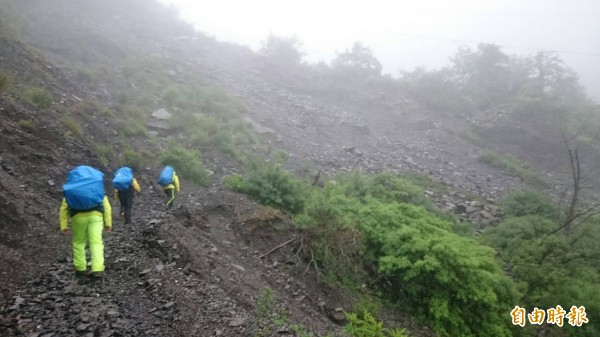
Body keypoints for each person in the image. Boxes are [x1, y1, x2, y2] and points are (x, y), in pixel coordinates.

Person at [60, 166, 112, 279]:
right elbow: (106, 206)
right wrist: (108, 223)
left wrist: (64, 226)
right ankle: (97, 269)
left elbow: (64, 208)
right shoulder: (96, 186)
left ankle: (80, 269)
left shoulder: (72, 190)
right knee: (96, 243)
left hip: (78, 218)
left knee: (79, 243)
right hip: (95, 217)